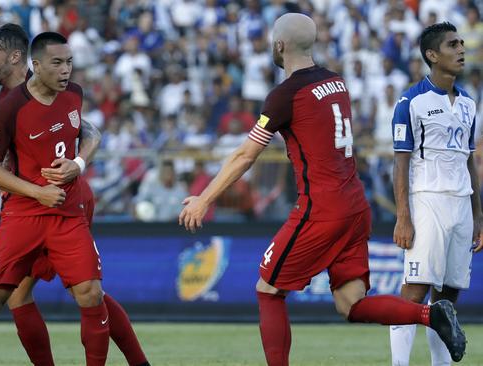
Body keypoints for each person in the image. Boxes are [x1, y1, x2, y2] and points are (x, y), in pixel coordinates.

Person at [178, 13, 467, 366]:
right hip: (355, 207)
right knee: (351, 305)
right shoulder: (336, 82)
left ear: (279, 45)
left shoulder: (285, 94)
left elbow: (245, 155)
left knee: (268, 290)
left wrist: (203, 199)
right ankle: (430, 315)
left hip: (321, 209)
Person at [0, 31, 139, 366]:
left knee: (84, 291)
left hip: (67, 202)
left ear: (17, 58)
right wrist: (27, 187)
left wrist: (79, 163)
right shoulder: (10, 103)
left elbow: (89, 132)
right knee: (18, 295)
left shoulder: (61, 89)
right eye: (59, 63)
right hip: (29, 205)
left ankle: (138, 361)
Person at [390, 21, 482, 366]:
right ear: (432, 55)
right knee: (415, 291)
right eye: (452, 45)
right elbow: (400, 163)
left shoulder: (469, 103)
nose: (461, 49)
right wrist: (403, 216)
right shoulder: (410, 101)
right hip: (427, 199)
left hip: (461, 205)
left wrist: (478, 214)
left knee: (447, 298)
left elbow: (469, 161)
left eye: (461, 43)